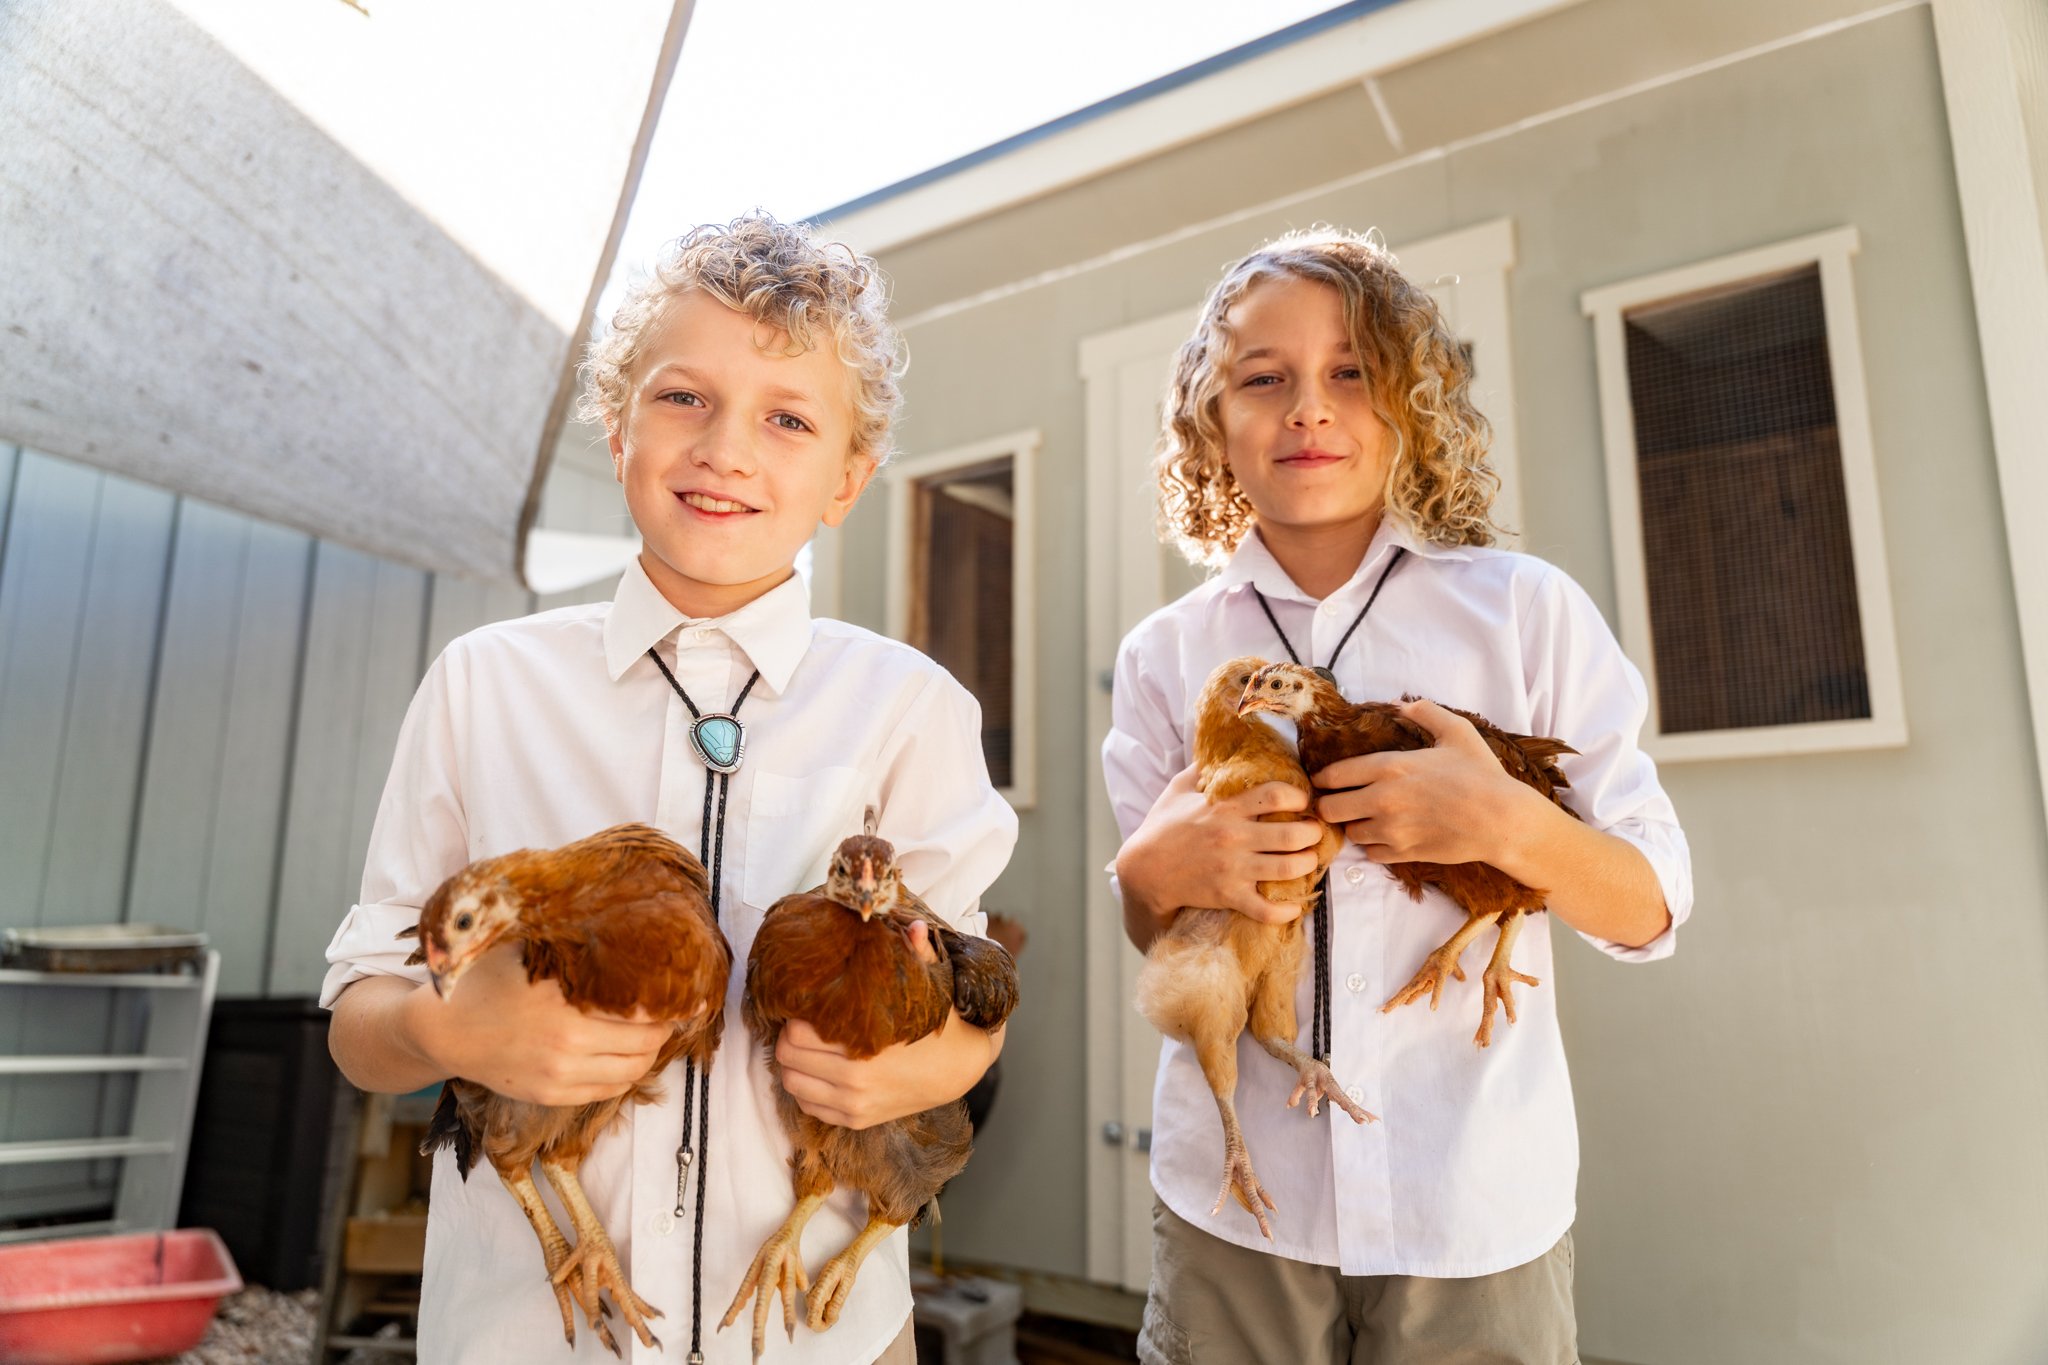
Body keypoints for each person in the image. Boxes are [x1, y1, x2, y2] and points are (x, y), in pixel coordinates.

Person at [322, 214, 1015, 1365]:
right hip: (523, 1334)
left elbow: (965, 1014)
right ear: (618, 424)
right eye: (683, 398)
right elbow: (358, 1024)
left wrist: (934, 1063)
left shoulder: (907, 707)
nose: (725, 449)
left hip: (816, 1342)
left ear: (847, 477)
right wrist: (457, 1033)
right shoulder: (486, 685)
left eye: (787, 418)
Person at [1103, 227, 1692, 1364]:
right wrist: (1145, 875)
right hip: (1234, 1207)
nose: (1305, 408)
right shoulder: (1165, 656)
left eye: (1349, 372)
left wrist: (1508, 826)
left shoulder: (1520, 614)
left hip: (1467, 1202)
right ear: (1207, 424)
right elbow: (1168, 940)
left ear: (1410, 400)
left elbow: (1652, 904)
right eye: (1259, 378)